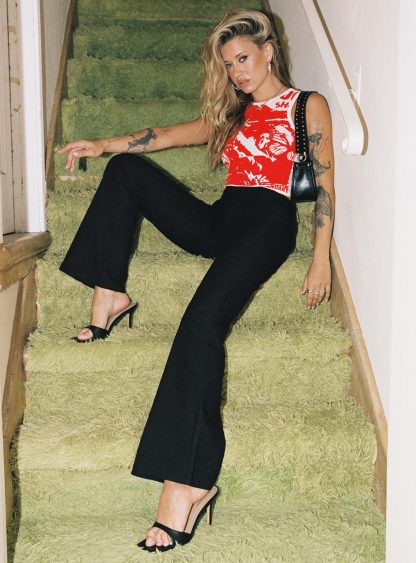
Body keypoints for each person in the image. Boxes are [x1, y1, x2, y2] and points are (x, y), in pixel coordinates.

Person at [58, 9, 335, 553]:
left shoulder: (306, 106)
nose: (237, 72)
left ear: (269, 51)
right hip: (222, 218)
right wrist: (104, 144)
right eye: (228, 65)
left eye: (243, 59)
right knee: (126, 170)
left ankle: (187, 483)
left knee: (201, 324)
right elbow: (166, 135)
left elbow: (324, 186)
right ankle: (110, 293)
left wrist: (320, 257)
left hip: (267, 223)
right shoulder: (234, 112)